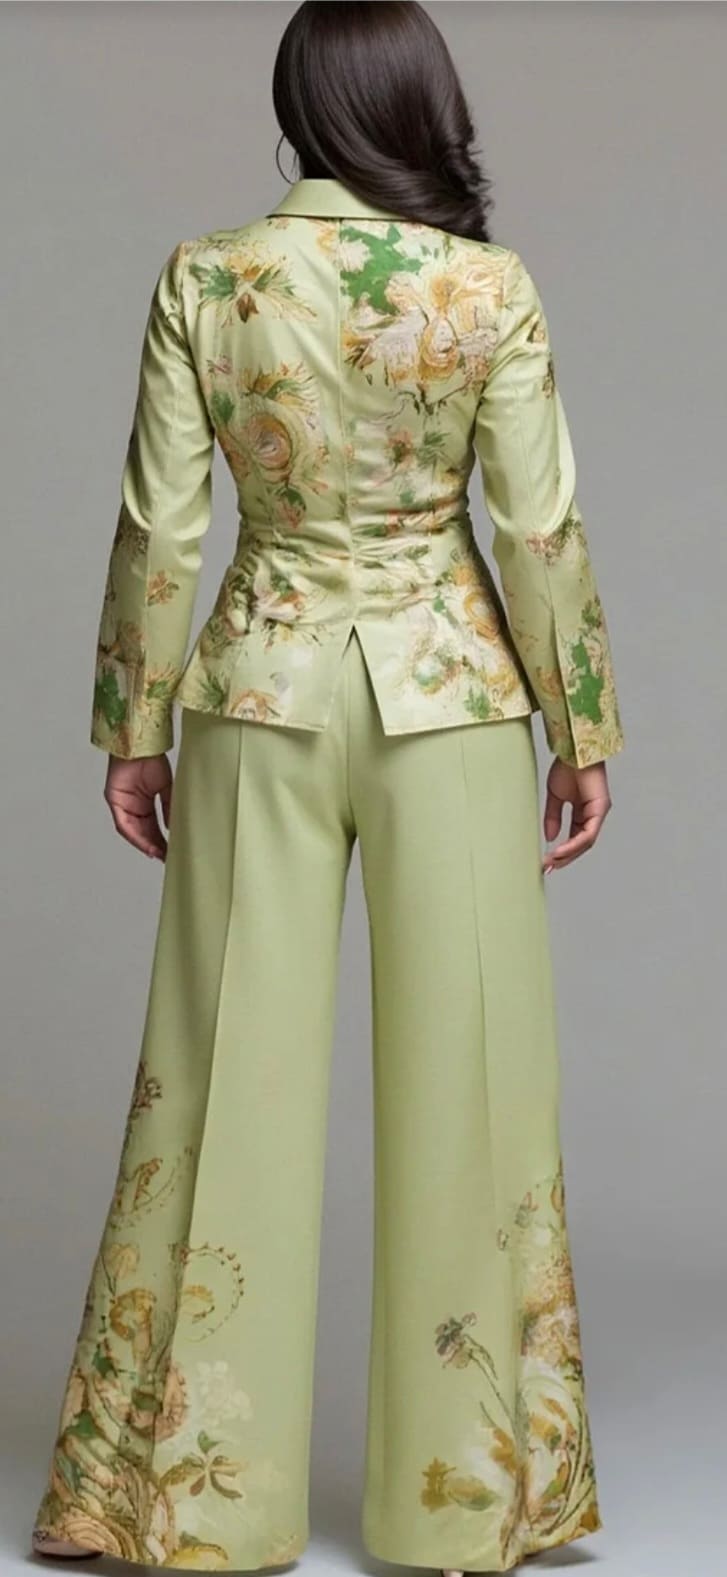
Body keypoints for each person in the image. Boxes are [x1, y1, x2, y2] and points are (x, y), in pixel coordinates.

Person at [31, 3, 624, 1575]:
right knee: (474, 1085)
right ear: (421, 104)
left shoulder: (207, 277)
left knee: (217, 1077)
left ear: (296, 103)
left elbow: (163, 525)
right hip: (452, 700)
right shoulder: (486, 287)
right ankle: (464, 1505)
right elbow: (536, 528)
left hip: (258, 689)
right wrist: (582, 728)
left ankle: (191, 1506)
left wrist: (134, 724)